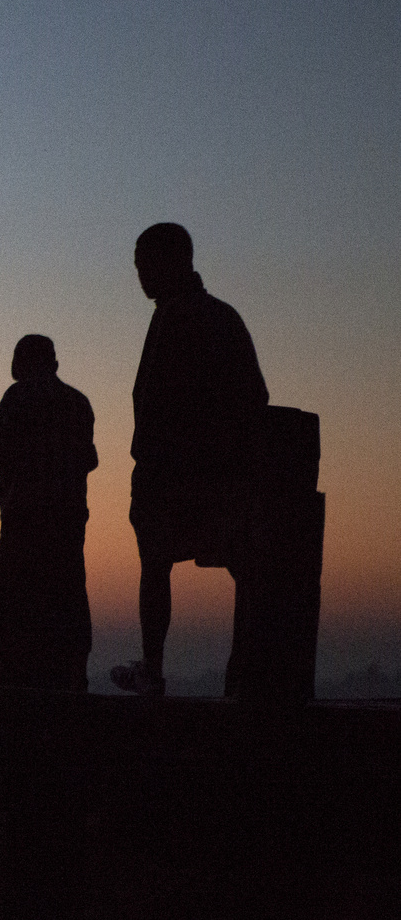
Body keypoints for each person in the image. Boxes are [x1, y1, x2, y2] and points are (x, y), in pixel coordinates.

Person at [112, 223, 268, 696]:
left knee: (164, 564)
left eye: (145, 262)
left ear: (172, 261)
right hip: (196, 472)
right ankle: (240, 666)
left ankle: (163, 668)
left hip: (187, 474)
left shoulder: (195, 318)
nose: (139, 273)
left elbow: (250, 400)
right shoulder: (212, 316)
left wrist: (195, 448)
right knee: (175, 564)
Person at [0, 335, 98, 690]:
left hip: (26, 512)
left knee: (13, 585)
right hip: (68, 518)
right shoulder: (79, 403)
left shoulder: (19, 397)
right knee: (69, 587)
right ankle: (72, 671)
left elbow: (3, 442)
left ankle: (9, 669)